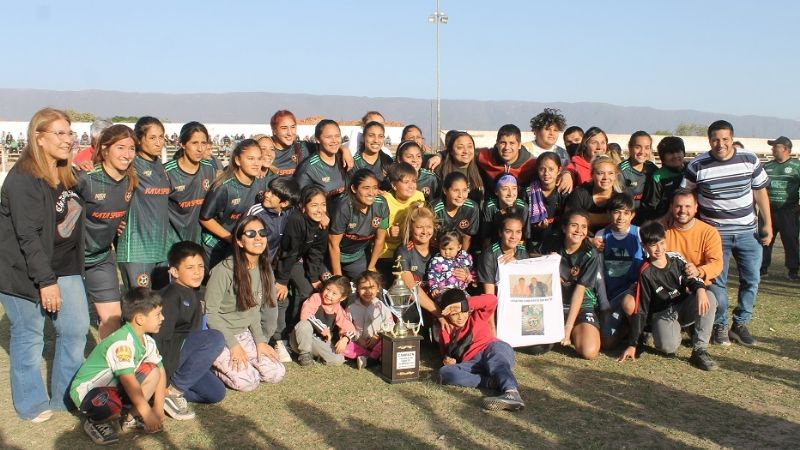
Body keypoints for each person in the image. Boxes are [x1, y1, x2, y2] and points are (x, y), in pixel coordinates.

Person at [0, 108, 89, 422]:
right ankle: (31, 404)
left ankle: (66, 395)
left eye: (70, 133)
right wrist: (45, 281)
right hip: (23, 271)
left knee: (76, 330)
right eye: (60, 133)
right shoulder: (23, 179)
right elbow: (27, 236)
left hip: (63, 265)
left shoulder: (65, 174)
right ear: (39, 137)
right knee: (29, 334)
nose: (68, 139)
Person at [682, 120, 771, 347]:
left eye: (725, 139)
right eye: (715, 139)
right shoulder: (697, 165)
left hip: (748, 233)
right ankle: (720, 325)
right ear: (709, 140)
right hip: (715, 235)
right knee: (716, 284)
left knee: (752, 279)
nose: (720, 144)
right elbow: (685, 196)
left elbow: (760, 194)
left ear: (732, 138)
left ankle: (740, 324)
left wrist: (767, 224)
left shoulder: (749, 159)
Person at [70, 288, 167, 445]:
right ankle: (95, 422)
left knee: (153, 371)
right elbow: (128, 380)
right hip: (88, 391)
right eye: (158, 315)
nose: (162, 318)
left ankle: (131, 418)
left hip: (115, 388)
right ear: (140, 319)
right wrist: (148, 413)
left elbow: (161, 371)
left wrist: (158, 407)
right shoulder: (122, 343)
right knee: (111, 404)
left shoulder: (148, 341)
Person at [618, 221, 718, 371]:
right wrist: (633, 344)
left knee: (709, 296)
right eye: (653, 245)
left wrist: (700, 289)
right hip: (663, 313)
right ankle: (671, 330)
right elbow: (642, 308)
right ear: (644, 246)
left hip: (683, 304)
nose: (659, 249)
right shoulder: (645, 272)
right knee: (668, 347)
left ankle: (700, 350)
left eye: (662, 243)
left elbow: (691, 278)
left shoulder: (676, 259)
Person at [205, 216, 286, 391]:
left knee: (276, 373)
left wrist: (260, 341)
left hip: (244, 333)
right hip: (219, 336)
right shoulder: (223, 271)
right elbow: (210, 314)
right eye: (250, 234)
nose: (258, 238)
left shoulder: (264, 269)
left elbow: (254, 311)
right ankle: (210, 364)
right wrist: (233, 345)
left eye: (262, 233)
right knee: (248, 382)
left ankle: (244, 363)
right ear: (240, 242)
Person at [153, 242, 226, 418]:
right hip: (166, 359)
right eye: (190, 267)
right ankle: (170, 392)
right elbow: (160, 340)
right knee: (215, 338)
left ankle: (162, 393)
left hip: (182, 358)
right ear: (174, 272)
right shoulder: (170, 296)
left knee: (216, 393)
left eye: (200, 266)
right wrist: (162, 378)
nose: (197, 272)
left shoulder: (194, 293)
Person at [77, 124, 137, 338]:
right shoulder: (86, 178)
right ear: (104, 149)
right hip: (72, 260)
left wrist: (118, 224)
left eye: (131, 148)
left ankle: (109, 368)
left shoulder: (131, 180)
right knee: (76, 325)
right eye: (120, 148)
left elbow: (118, 216)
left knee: (113, 318)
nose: (127, 154)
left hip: (101, 257)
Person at [437, 289, 525, 412]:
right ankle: (491, 382)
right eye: (454, 314)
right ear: (447, 314)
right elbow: (445, 354)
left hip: (492, 348)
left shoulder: (477, 316)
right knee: (444, 372)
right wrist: (447, 360)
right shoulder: (446, 330)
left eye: (463, 311)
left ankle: (511, 392)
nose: (460, 317)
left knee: (497, 360)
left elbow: (492, 299)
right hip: (472, 363)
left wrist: (462, 304)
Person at [117, 116, 171, 290]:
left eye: (161, 137)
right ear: (139, 140)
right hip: (136, 249)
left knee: (159, 307)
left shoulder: (161, 167)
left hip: (160, 249)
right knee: (140, 306)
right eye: (152, 138)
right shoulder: (130, 166)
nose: (158, 142)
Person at [543, 210, 603, 360]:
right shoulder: (552, 242)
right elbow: (532, 259)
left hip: (581, 305)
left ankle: (576, 328)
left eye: (583, 227)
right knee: (537, 345)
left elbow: (579, 292)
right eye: (574, 225)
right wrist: (546, 260)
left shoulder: (590, 254)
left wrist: (568, 329)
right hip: (553, 305)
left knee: (589, 352)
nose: (579, 231)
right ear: (564, 228)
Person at [274, 186, 331, 342]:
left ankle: (299, 332)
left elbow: (316, 251)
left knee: (309, 291)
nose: (320, 210)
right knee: (281, 296)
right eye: (314, 205)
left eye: (323, 204)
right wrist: (282, 281)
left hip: (296, 260)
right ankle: (278, 338)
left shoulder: (322, 220)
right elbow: (288, 251)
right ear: (303, 207)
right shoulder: (296, 220)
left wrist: (313, 277)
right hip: (277, 261)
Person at [199, 138, 267, 269]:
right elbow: (205, 218)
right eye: (251, 159)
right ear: (237, 160)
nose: (256, 163)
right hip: (216, 244)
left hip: (240, 243)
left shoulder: (260, 183)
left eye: (259, 159)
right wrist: (230, 238)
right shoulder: (224, 187)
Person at [594, 194, 644, 348]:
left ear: (632, 215)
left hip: (634, 294)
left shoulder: (640, 234)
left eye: (626, 213)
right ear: (609, 214)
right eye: (617, 212)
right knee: (607, 344)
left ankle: (638, 334)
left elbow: (649, 268)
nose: (621, 217)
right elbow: (598, 272)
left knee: (629, 304)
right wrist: (604, 303)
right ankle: (624, 328)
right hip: (611, 296)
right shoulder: (602, 235)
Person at [328, 169, 389, 279]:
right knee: (335, 289)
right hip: (330, 256)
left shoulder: (381, 204)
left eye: (375, 188)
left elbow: (380, 239)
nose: (371, 193)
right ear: (354, 189)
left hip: (356, 256)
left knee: (368, 285)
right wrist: (337, 276)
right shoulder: (344, 207)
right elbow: (333, 245)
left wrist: (371, 267)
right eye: (366, 188)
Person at [164, 121, 217, 248]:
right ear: (182, 144)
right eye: (194, 143)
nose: (200, 149)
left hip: (200, 241)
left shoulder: (209, 169)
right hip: (172, 243)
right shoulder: (167, 172)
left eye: (203, 143)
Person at [291, 276, 356, 366]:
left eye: (334, 293)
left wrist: (346, 338)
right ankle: (304, 354)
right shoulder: (316, 297)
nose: (328, 295)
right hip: (300, 337)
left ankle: (313, 355)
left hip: (316, 341)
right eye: (328, 289)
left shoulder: (338, 309)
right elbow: (305, 315)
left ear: (342, 298)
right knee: (304, 324)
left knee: (338, 360)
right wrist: (323, 329)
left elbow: (350, 328)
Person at [376, 162, 426, 280]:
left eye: (414, 181)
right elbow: (375, 229)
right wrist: (389, 233)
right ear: (394, 185)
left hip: (410, 251)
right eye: (406, 182)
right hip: (387, 253)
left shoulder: (419, 196)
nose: (411, 186)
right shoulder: (385, 201)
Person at [395, 202, 443, 322]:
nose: (424, 231)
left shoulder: (440, 249)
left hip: (437, 300)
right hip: (413, 305)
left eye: (428, 227)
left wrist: (465, 274)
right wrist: (438, 313)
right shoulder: (403, 251)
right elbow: (411, 289)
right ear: (411, 227)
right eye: (419, 227)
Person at [761, 136, 800, 280]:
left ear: (785, 149)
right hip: (769, 210)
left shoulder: (796, 166)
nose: (772, 149)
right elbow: (760, 187)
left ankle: (793, 270)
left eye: (775, 146)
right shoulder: (767, 166)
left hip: (788, 211)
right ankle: (762, 268)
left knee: (790, 240)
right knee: (765, 238)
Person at [345, 271, 394, 369]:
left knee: (388, 342)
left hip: (378, 341)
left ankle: (369, 359)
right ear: (357, 289)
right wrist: (357, 339)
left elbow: (390, 324)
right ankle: (372, 358)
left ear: (378, 288)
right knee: (343, 347)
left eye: (372, 287)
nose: (368, 292)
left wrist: (378, 336)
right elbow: (346, 326)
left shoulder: (382, 306)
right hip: (359, 343)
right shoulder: (351, 308)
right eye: (363, 288)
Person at [294, 119, 349, 205]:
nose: (334, 140)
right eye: (328, 137)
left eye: (337, 136)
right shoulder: (308, 168)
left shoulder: (345, 161)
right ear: (318, 140)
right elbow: (300, 202)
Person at [565, 155, 622, 233]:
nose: (606, 177)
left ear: (616, 176)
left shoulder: (620, 198)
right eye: (600, 173)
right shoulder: (580, 193)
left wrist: (588, 218)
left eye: (610, 173)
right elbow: (569, 221)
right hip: (582, 239)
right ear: (592, 175)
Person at [638, 136, 686, 223]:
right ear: (663, 157)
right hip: (666, 224)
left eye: (678, 151)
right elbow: (650, 207)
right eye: (670, 153)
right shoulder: (658, 177)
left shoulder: (691, 169)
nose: (675, 156)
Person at [478, 215, 528, 295]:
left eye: (518, 232)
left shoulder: (522, 249)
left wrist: (516, 264)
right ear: (500, 232)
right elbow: (490, 294)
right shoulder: (489, 255)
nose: (513, 236)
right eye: (508, 231)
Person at [527, 152, 566, 252]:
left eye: (551, 169)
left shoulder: (563, 193)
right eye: (542, 169)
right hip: (532, 242)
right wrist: (536, 227)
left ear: (559, 170)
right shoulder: (528, 192)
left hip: (558, 243)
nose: (546, 173)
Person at [432, 172, 480, 252]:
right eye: (456, 190)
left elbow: (466, 237)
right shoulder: (434, 209)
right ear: (445, 190)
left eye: (465, 190)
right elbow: (431, 240)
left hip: (458, 251)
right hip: (438, 251)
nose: (460, 195)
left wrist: (462, 259)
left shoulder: (472, 208)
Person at [433, 131, 485, 204]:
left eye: (470, 146)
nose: (466, 151)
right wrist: (439, 155)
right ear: (451, 151)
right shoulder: (440, 169)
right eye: (460, 147)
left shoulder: (482, 167)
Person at [426, 229, 475, 301]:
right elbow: (433, 275)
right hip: (444, 292)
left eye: (450, 249)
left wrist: (470, 276)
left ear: (459, 247)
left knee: (470, 304)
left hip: (461, 291)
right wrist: (434, 288)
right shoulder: (437, 260)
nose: (447, 252)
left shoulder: (464, 257)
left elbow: (471, 269)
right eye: (443, 248)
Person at [482, 173, 529, 248]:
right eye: (505, 189)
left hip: (515, 247)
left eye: (514, 188)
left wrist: (513, 253)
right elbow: (486, 238)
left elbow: (523, 238)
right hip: (494, 247)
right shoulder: (489, 207)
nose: (510, 193)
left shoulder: (522, 207)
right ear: (496, 191)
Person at [619, 131, 658, 210]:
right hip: (628, 218)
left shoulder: (652, 168)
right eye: (638, 147)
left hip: (648, 216)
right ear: (630, 148)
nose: (642, 152)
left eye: (647, 148)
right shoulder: (621, 171)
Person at [269, 110, 311, 177]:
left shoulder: (302, 148)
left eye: (293, 127)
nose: (290, 133)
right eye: (284, 128)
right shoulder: (265, 150)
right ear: (274, 130)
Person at [353, 120, 394, 189]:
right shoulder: (354, 163)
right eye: (371, 135)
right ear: (363, 137)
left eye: (380, 136)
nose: (376, 140)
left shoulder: (388, 162)